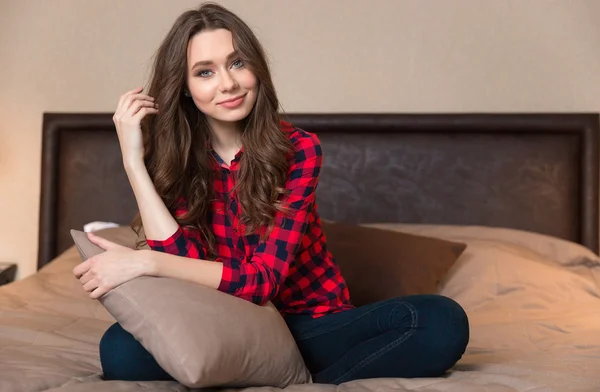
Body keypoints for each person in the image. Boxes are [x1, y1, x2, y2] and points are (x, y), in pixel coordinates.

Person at [73, 1, 469, 385]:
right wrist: (133, 162)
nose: (227, 83)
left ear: (257, 69)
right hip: (226, 324)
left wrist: (146, 263)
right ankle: (277, 371)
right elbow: (183, 267)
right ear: (185, 88)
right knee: (119, 351)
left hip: (307, 325)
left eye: (237, 63)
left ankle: (287, 375)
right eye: (205, 72)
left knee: (439, 321)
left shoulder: (298, 149)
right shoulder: (175, 161)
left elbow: (263, 282)